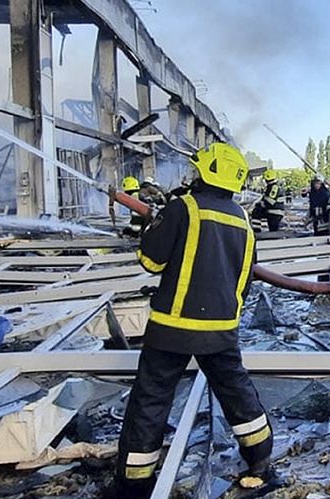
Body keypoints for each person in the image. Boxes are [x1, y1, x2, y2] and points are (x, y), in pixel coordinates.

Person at [116, 143, 273, 496]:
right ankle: (260, 460)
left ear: (205, 174)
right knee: (238, 394)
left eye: (197, 169)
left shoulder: (182, 208)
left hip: (171, 327)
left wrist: (150, 226)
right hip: (221, 329)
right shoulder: (243, 220)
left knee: (151, 400)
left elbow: (151, 262)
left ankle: (134, 484)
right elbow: (245, 277)